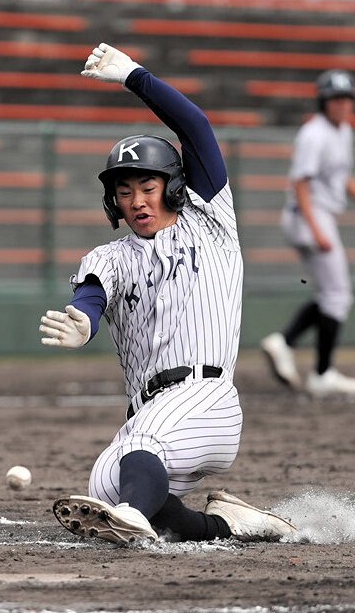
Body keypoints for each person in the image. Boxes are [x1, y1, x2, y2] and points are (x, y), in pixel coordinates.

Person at [39, 44, 297, 546]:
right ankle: (229, 525)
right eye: (124, 190)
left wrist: (134, 76)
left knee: (138, 458)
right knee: (105, 485)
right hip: (149, 407)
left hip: (207, 398)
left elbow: (196, 128)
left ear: (174, 187)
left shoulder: (210, 222)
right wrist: (83, 323)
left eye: (147, 185)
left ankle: (134, 512)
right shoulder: (107, 258)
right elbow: (91, 297)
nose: (136, 200)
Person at [260, 70, 355, 397]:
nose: (343, 105)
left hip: (317, 215)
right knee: (338, 296)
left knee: (331, 295)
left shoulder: (342, 131)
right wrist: (317, 229)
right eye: (336, 99)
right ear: (324, 102)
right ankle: (317, 370)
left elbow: (340, 176)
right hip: (308, 215)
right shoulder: (314, 135)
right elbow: (301, 184)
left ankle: (289, 346)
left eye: (347, 99)